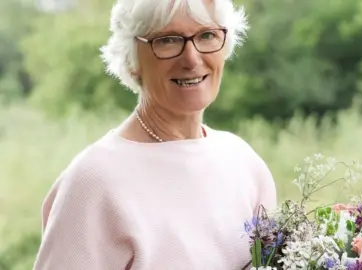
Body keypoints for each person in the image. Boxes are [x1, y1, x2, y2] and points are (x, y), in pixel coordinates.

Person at [32, 0, 277, 269]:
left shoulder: (243, 163)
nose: (192, 59)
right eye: (167, 40)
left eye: (207, 35)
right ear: (132, 59)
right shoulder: (93, 181)